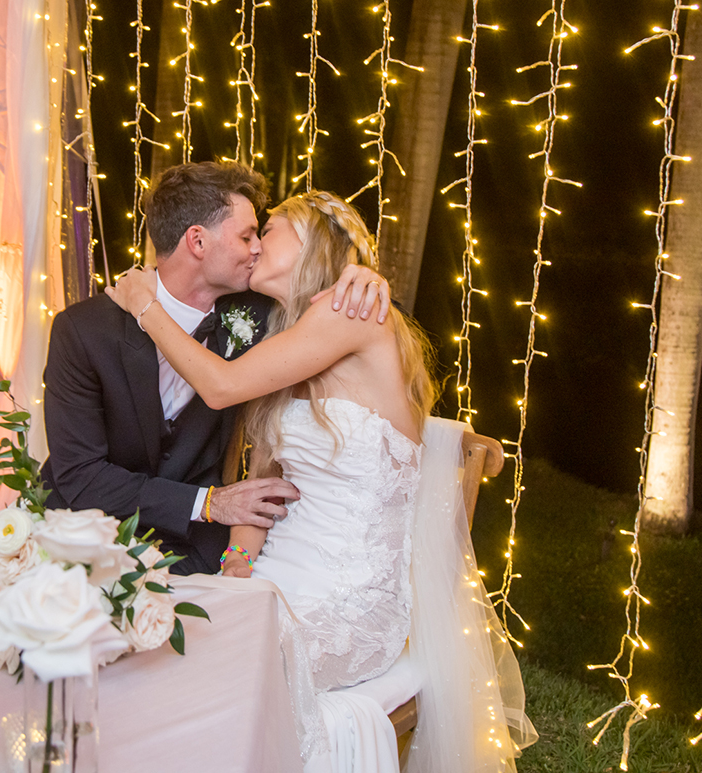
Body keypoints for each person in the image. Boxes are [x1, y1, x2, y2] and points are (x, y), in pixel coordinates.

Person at [106, 191, 535, 771]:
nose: (254, 244)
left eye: (270, 229)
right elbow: (267, 486)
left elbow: (221, 388)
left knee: (202, 665)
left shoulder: (349, 312)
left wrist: (145, 306)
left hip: (351, 600)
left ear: (312, 243)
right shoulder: (290, 335)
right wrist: (235, 569)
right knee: (153, 640)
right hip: (277, 580)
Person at [40, 162, 392, 575]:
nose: (258, 246)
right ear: (198, 242)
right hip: (81, 533)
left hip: (197, 546)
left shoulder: (266, 317)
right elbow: (81, 478)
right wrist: (210, 503)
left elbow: (338, 307)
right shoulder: (83, 331)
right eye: (246, 236)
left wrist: (365, 278)